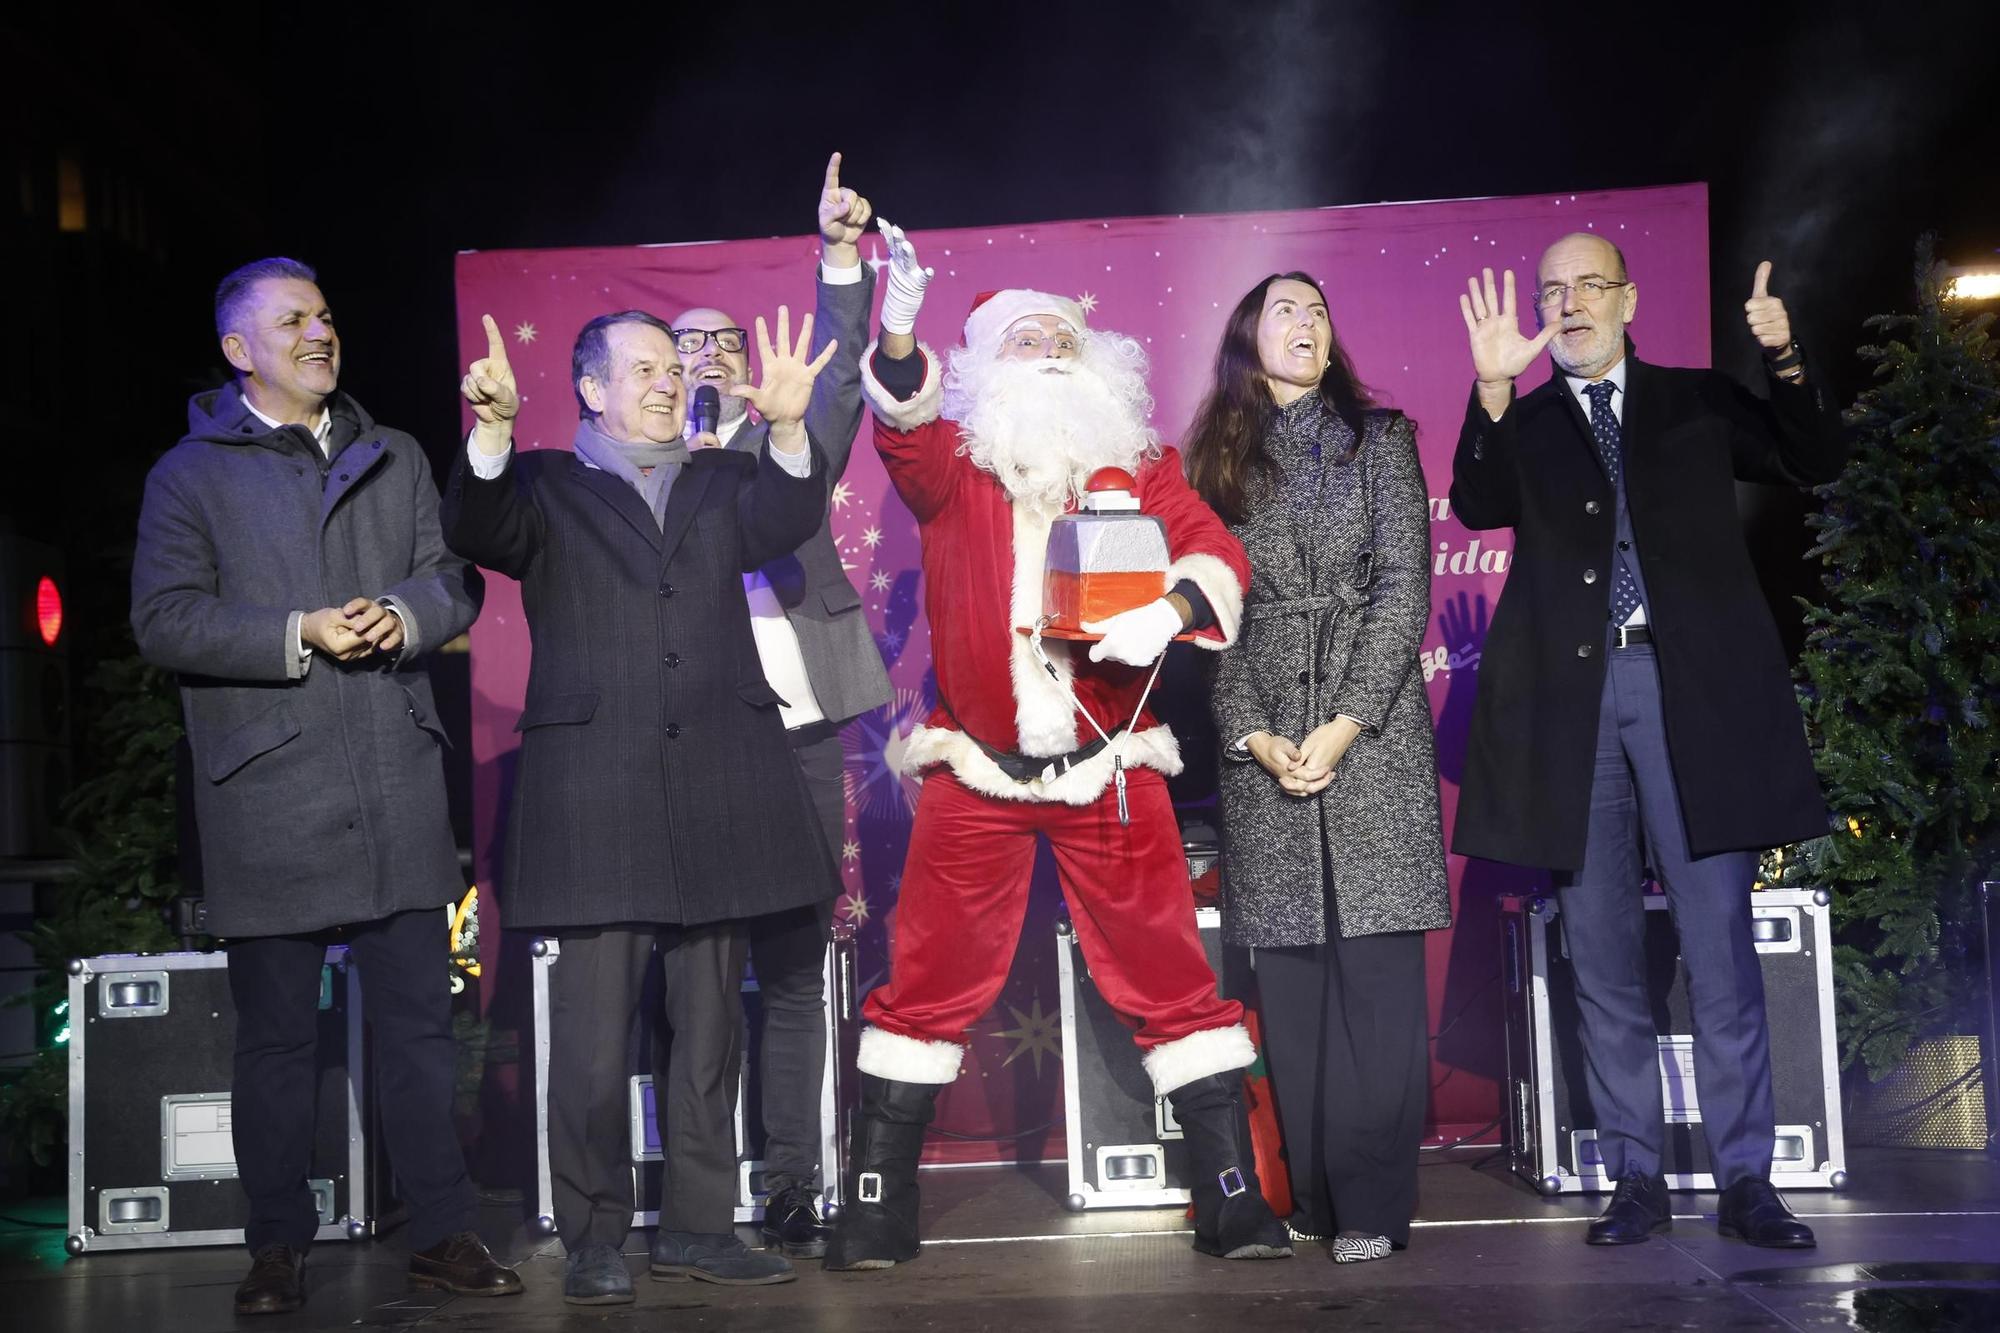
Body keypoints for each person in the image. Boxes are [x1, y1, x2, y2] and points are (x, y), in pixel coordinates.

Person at [821, 221, 1291, 1272]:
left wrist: (1167, 612)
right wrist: (895, 331)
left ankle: (1229, 1195)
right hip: (977, 769)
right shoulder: (950, 466)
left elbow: (1213, 552)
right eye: (1022, 339)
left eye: (1061, 337)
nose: (1047, 352)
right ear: (986, 365)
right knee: (929, 972)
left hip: (1110, 763)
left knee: (1170, 968)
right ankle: (875, 1203)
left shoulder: (1139, 464)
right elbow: (897, 419)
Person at [132, 257, 519, 1316]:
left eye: (327, 315)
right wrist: (293, 632)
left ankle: (442, 1232)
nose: (319, 332)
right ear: (237, 349)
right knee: (275, 1040)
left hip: (389, 776)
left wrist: (408, 612)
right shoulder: (189, 473)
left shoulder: (391, 453)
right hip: (267, 789)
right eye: (292, 319)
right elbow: (162, 618)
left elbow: (456, 577)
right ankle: (276, 1248)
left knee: (417, 1027)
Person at [1451, 235, 1846, 1249]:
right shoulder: (1527, 417)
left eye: (1586, 285)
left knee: (1718, 941)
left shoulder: (1695, 400)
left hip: (1691, 695)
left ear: (1626, 299)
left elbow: (1809, 458)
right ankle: (1633, 1175)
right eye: (1550, 290)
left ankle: (1745, 1178)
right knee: (1599, 948)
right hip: (1575, 703)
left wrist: (1786, 359)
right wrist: (1490, 392)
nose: (1567, 301)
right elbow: (1480, 501)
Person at [441, 305, 839, 1303]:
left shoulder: (722, 479)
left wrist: (787, 429)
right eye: (645, 367)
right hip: (595, 789)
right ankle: (592, 1234)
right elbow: (477, 526)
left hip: (719, 780)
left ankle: (701, 1226)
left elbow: (789, 517)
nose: (669, 380)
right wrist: (489, 433)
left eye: (674, 366)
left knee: (708, 1031)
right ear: (590, 388)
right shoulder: (540, 483)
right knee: (588, 1039)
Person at [1185, 272, 1452, 1264]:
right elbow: (1211, 620)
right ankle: (1310, 1194)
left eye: (1316, 310)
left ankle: (1375, 1205)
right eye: (1281, 310)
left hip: (1367, 738)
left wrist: (1342, 725)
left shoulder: (1378, 438)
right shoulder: (1211, 460)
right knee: (1290, 994)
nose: (1302, 324)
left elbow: (1400, 592)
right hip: (1262, 749)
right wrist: (1252, 734)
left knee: (1375, 988)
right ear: (1248, 334)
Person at [667, 153, 892, 1259]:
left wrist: (841, 256)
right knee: (702, 973)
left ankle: (799, 1180)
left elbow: (842, 369)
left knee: (798, 963)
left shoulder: (786, 436)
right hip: (691, 738)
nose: (705, 358)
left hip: (798, 729)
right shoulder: (632, 469)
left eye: (720, 342)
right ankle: (704, 1194)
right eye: (686, 346)